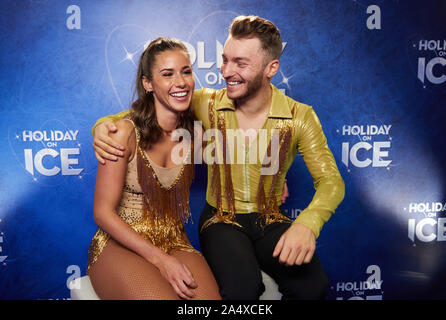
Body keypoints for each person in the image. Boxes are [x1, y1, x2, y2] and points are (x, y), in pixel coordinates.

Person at [93, 16, 345, 300]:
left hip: (270, 218)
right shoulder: (205, 102)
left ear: (271, 68)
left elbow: (331, 181)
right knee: (242, 289)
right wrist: (102, 126)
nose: (226, 71)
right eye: (225, 60)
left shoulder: (301, 116)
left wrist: (307, 223)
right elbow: (146, 111)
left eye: (240, 63)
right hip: (221, 220)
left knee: (313, 285)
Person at [87, 37, 221, 300]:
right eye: (167, 74)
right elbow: (102, 213)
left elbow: (234, 157)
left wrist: (272, 178)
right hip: (120, 242)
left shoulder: (196, 134)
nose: (180, 82)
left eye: (186, 72)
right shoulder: (123, 132)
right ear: (148, 83)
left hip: (174, 238)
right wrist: (161, 261)